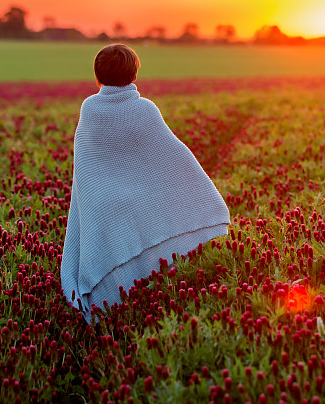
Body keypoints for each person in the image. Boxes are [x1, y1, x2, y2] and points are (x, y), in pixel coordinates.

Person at [60, 43, 230, 323]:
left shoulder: (89, 108)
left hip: (104, 206)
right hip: (138, 204)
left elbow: (86, 171)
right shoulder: (145, 109)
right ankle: (149, 296)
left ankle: (112, 308)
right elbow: (176, 158)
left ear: (98, 75)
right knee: (145, 212)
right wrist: (206, 199)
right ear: (134, 73)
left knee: (114, 227)